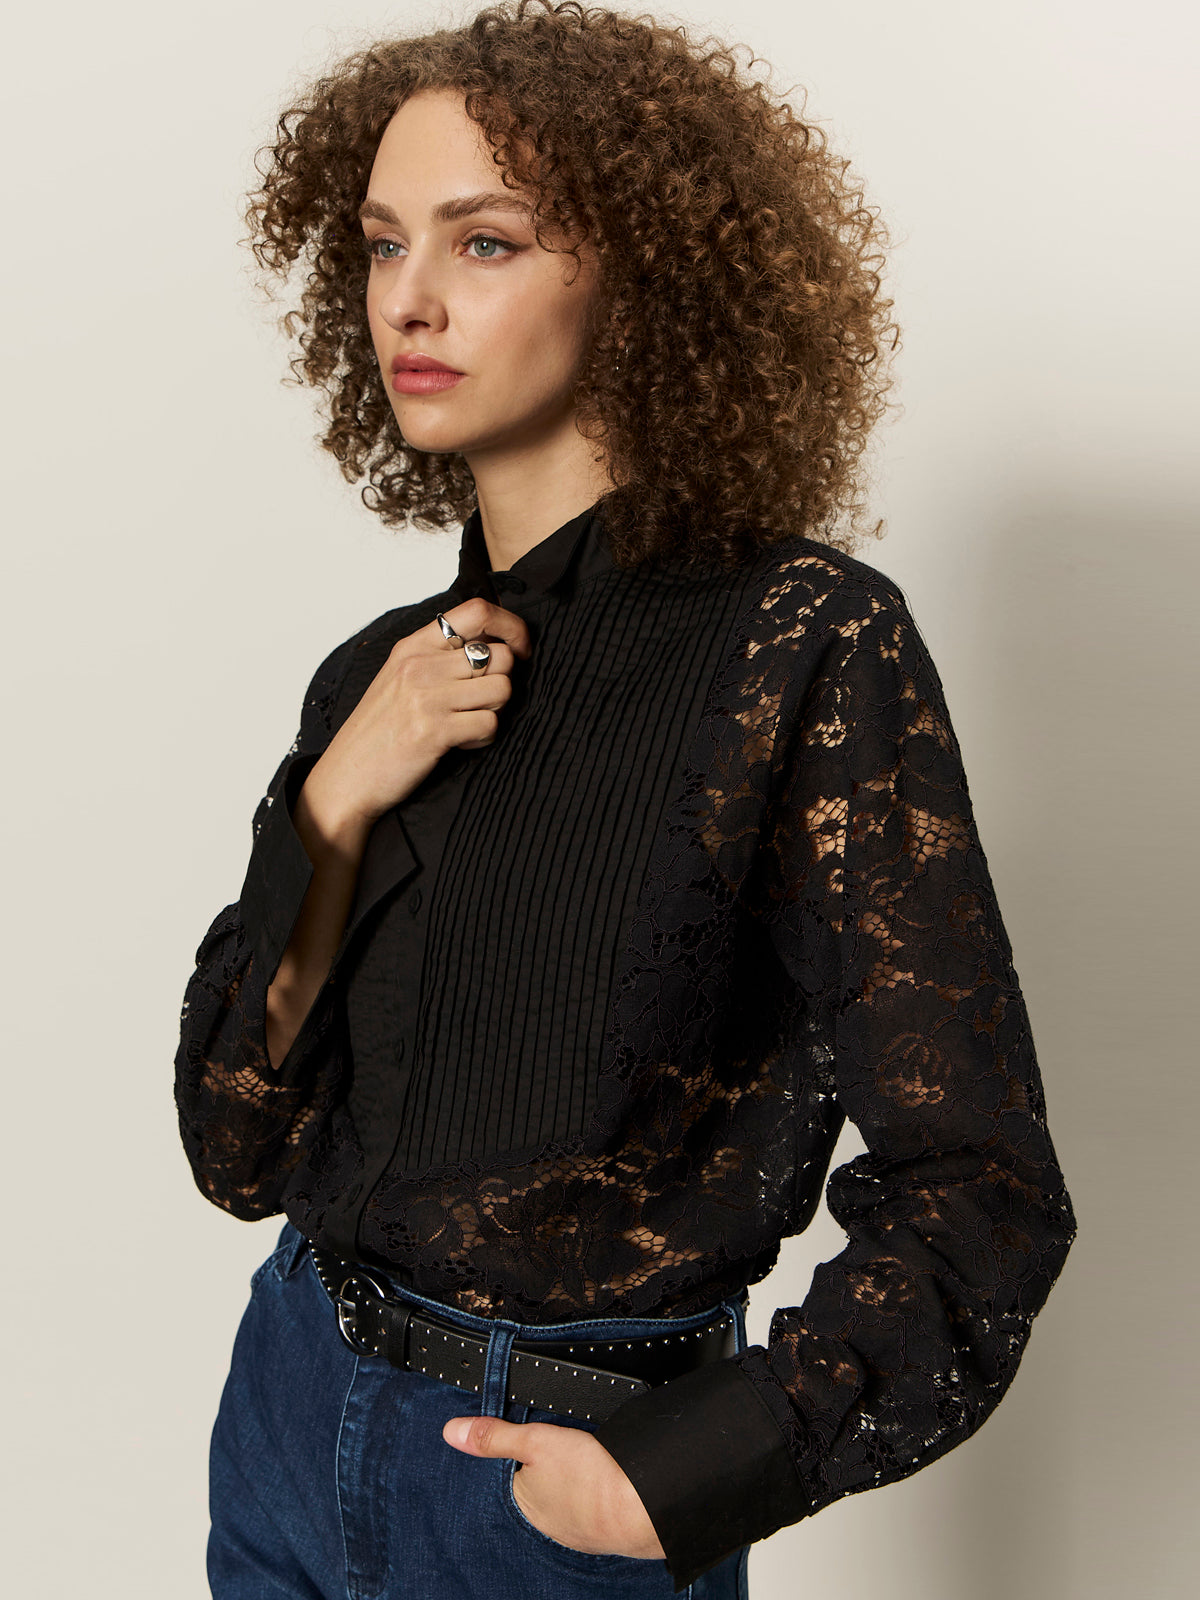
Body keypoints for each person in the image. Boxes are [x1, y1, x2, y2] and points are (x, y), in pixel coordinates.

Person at [172, 3, 1077, 1596]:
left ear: (643, 278)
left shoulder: (799, 643)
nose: (415, 299)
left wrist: (690, 1474)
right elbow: (237, 1149)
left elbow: (983, 1190)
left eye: (489, 241)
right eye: (383, 246)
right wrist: (330, 810)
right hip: (289, 1419)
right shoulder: (375, 679)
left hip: (547, 1495)